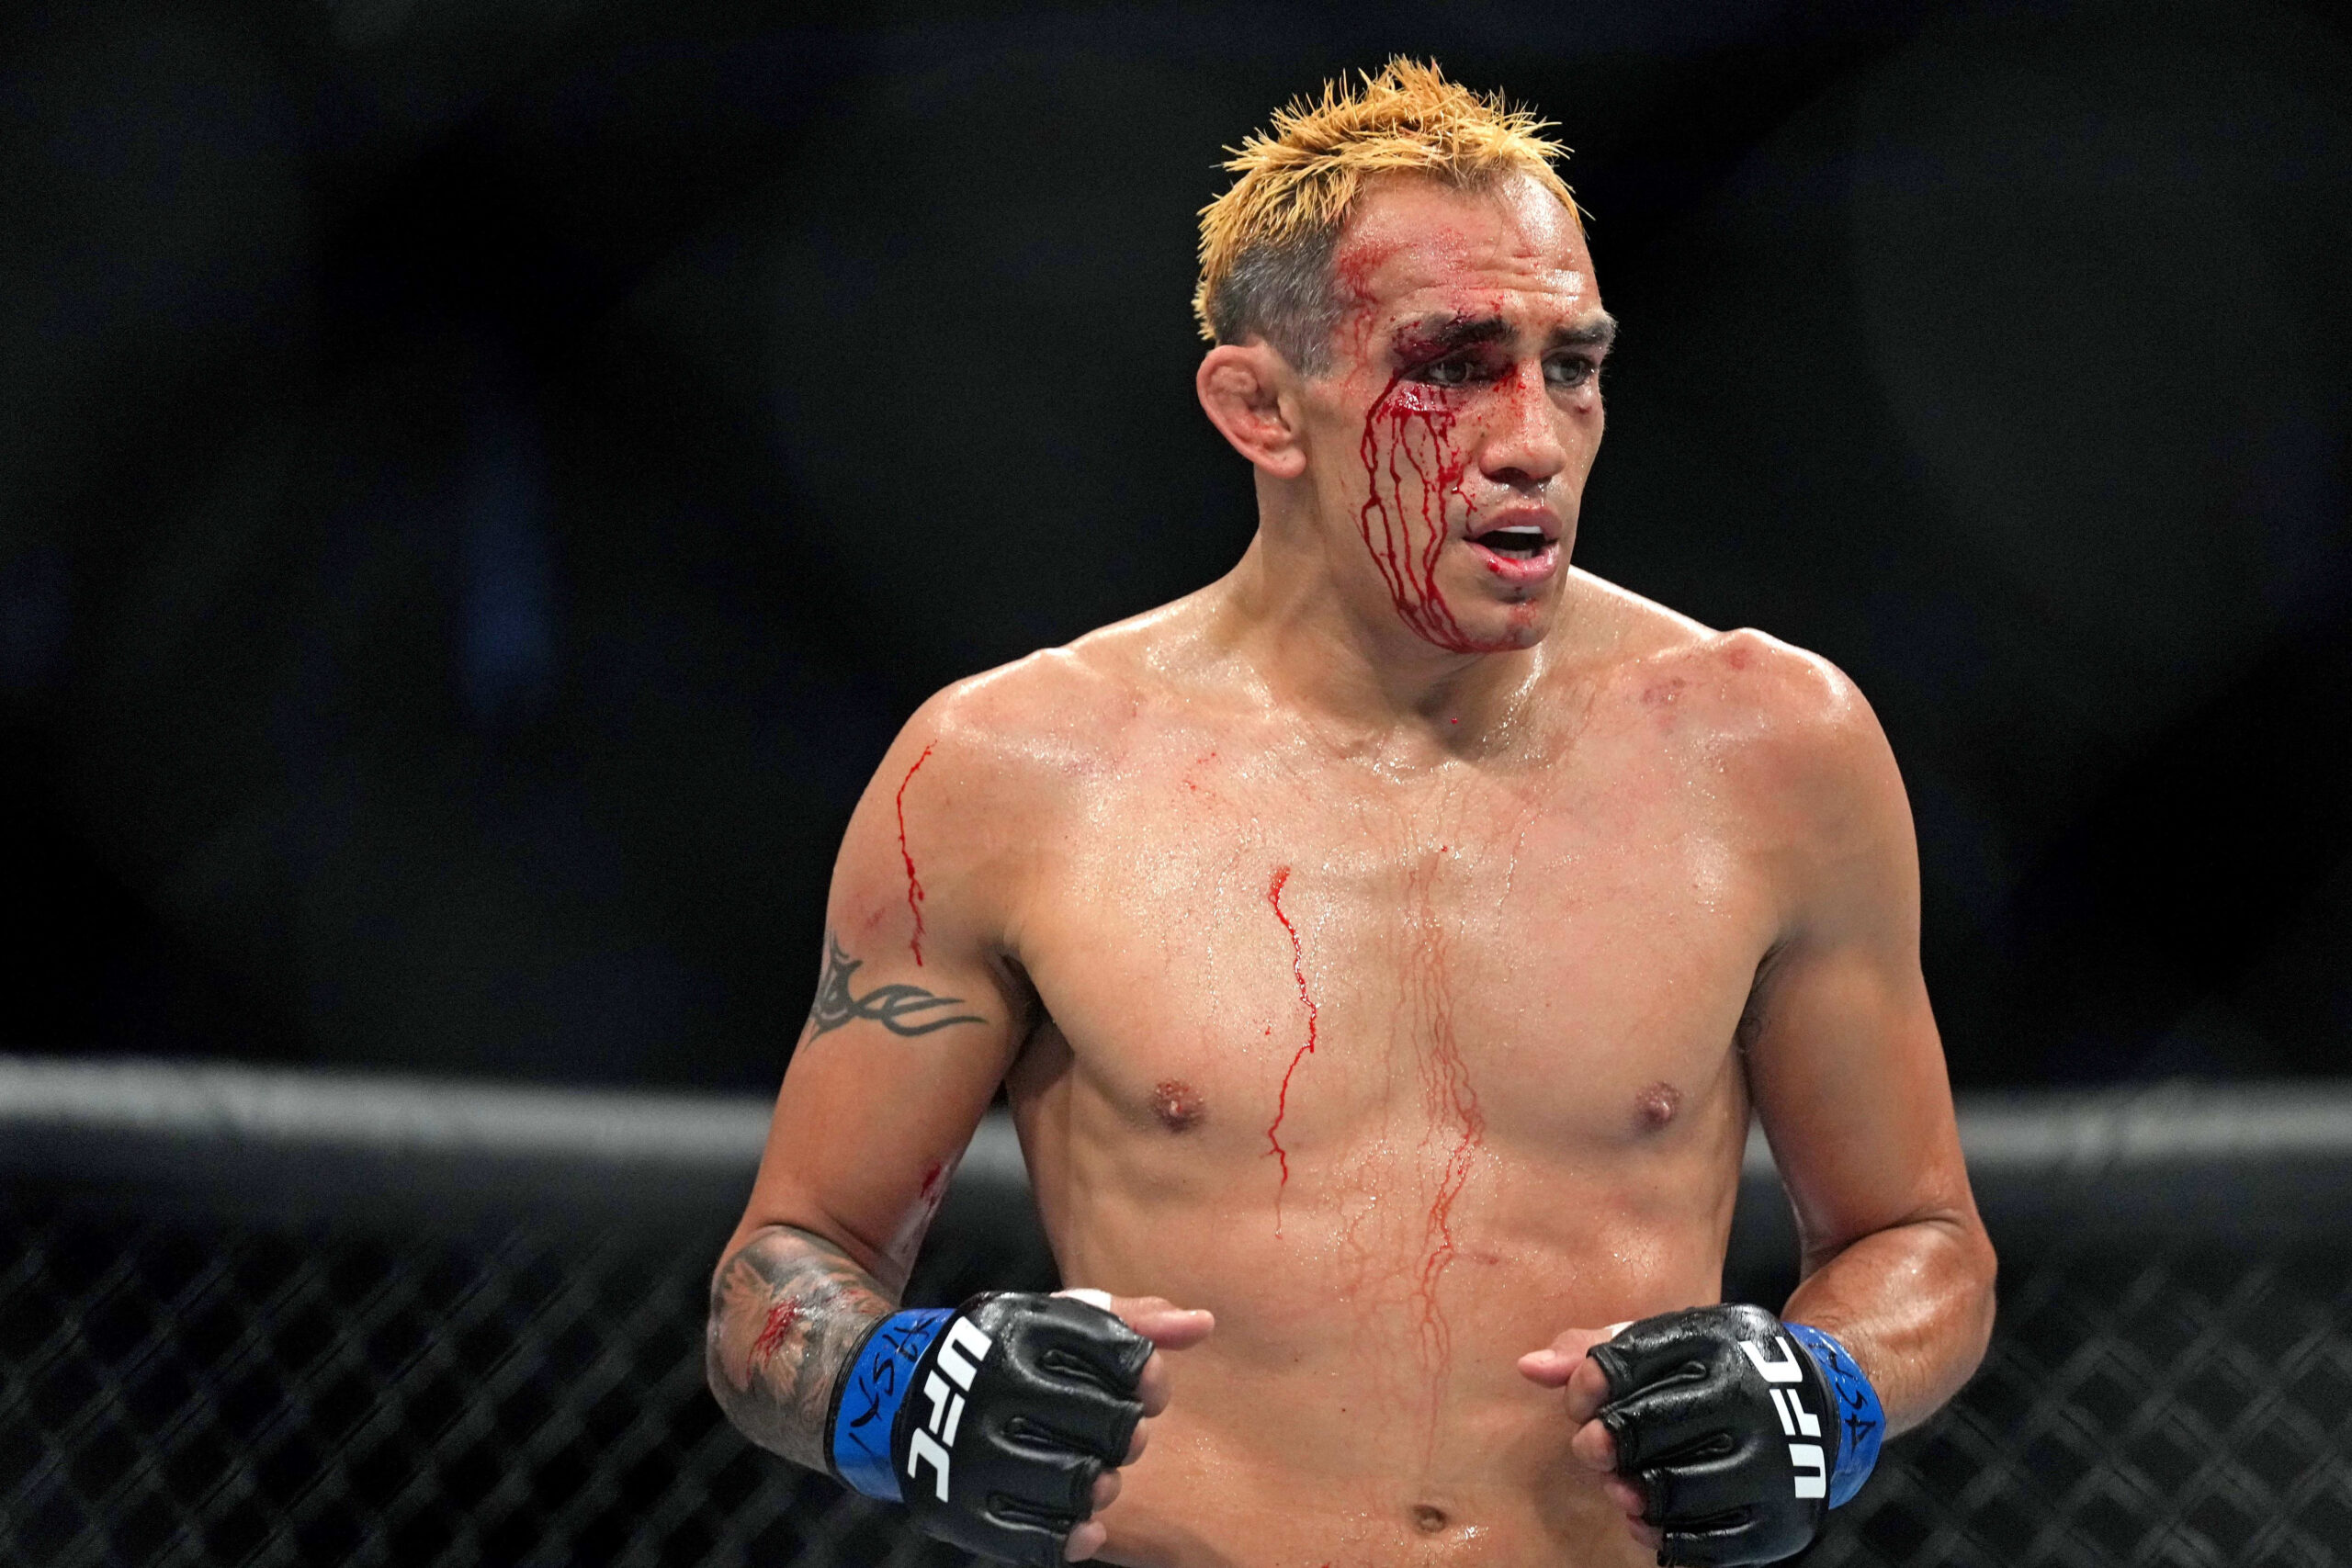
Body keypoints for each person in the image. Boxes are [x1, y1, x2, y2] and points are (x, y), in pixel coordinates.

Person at [707, 60, 1996, 1568]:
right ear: (1260, 407)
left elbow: (1924, 1246)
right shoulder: (1007, 775)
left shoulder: (1771, 749)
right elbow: (779, 1278)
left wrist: (1825, 1389)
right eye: (1454, 363)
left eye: (1569, 364)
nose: (1534, 438)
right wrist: (892, 1389)